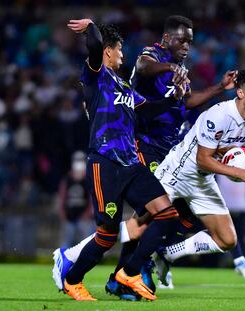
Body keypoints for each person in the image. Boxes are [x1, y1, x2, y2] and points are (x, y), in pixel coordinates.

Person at [59, 18, 188, 301]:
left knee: (166, 214)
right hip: (105, 161)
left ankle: (128, 272)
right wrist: (93, 27)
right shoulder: (95, 77)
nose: (122, 55)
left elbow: (150, 110)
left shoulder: (124, 86)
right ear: (108, 51)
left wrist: (176, 98)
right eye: (119, 50)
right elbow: (93, 44)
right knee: (106, 235)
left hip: (130, 162)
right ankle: (72, 279)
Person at [152, 68, 245, 285]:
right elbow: (204, 158)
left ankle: (168, 253)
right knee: (140, 224)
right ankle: (90, 263)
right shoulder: (219, 114)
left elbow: (229, 153)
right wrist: (242, 172)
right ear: (240, 93)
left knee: (227, 240)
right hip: (178, 171)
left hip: (203, 178)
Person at [216, 175, 245, 280]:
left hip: (241, 207)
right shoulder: (218, 167)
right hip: (224, 207)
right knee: (221, 236)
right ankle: (217, 263)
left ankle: (242, 261)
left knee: (239, 237)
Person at [57, 150, 93, 248]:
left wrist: (87, 214)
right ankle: (63, 261)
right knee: (66, 242)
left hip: (84, 219)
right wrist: (62, 212)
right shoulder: (67, 179)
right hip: (69, 216)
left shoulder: (88, 179)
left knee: (86, 243)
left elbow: (92, 199)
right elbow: (62, 197)